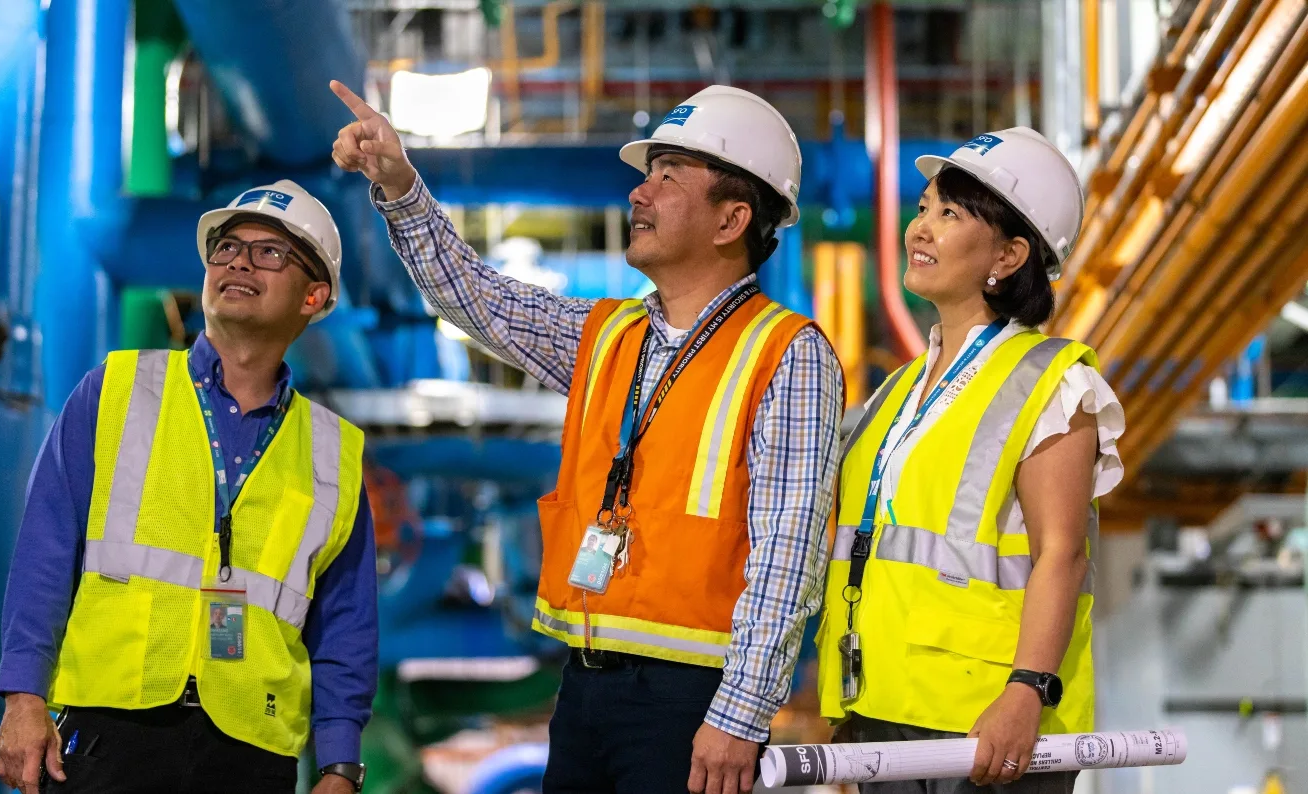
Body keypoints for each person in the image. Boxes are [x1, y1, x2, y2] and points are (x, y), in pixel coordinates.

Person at [330, 80, 844, 794]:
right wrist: (399, 185)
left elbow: (789, 552)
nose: (639, 192)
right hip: (586, 687)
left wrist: (741, 713)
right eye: (648, 174)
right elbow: (479, 299)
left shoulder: (787, 354)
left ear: (732, 220)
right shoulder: (609, 334)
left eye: (669, 177)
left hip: (695, 699)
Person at [0, 180, 379, 794]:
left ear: (314, 296)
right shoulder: (116, 391)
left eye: (269, 252)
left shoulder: (334, 454)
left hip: (251, 751)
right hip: (108, 732)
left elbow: (346, 625)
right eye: (227, 248)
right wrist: (23, 695)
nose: (240, 262)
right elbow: (45, 549)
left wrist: (339, 764)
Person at [815, 128, 1125, 793]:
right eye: (923, 207)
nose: (919, 229)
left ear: (1009, 255)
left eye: (950, 214)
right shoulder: (897, 392)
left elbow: (1062, 555)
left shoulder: (1051, 381)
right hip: (884, 709)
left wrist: (1026, 691)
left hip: (990, 722)